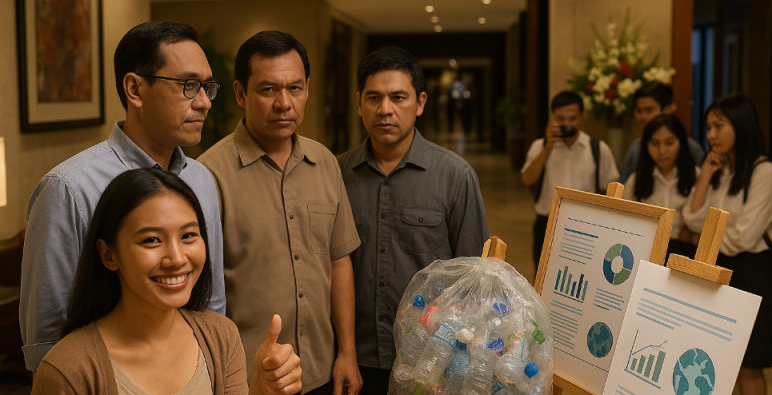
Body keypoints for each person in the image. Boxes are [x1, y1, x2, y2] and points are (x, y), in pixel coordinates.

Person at [20, 21, 226, 373]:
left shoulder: (201, 179)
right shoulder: (70, 188)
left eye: (207, 87)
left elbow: (211, 305)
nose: (204, 102)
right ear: (135, 89)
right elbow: (46, 341)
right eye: (189, 86)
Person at [31, 168, 302, 395]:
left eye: (188, 236)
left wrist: (263, 389)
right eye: (151, 240)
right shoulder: (67, 370)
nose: (176, 258)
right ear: (109, 254)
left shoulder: (221, 337)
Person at [198, 31, 362, 395]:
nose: (284, 103)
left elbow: (339, 262)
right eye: (268, 90)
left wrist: (346, 353)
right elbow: (199, 293)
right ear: (241, 94)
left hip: (320, 369)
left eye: (296, 88)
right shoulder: (207, 176)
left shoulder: (325, 164)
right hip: (248, 379)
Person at [337, 46, 491, 395]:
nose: (385, 109)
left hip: (429, 361)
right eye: (374, 98)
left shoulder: (454, 176)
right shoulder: (337, 174)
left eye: (398, 97)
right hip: (354, 357)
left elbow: (476, 280)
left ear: (420, 103)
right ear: (359, 102)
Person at [682, 94, 772, 395]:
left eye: (718, 126)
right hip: (721, 269)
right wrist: (707, 174)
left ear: (741, 125)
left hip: (753, 274)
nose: (710, 134)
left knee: (748, 366)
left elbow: (743, 238)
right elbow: (691, 217)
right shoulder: (723, 170)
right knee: (720, 360)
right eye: (708, 127)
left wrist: (705, 236)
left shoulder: (765, 172)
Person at [521, 91, 619, 268]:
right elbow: (527, 179)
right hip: (547, 223)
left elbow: (611, 189)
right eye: (560, 119)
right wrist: (547, 149)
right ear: (553, 118)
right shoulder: (540, 146)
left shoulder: (598, 149)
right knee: (543, 279)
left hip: (587, 227)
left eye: (572, 118)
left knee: (583, 278)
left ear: (582, 117)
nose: (567, 124)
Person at [622, 114, 699, 261]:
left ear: (681, 143)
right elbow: (624, 223)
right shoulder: (636, 179)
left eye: (669, 143)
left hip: (685, 254)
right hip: (644, 252)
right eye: (655, 144)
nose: (662, 151)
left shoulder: (697, 176)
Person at [619, 82, 705, 183]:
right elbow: (623, 190)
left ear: (667, 110)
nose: (643, 117)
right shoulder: (635, 149)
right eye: (639, 111)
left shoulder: (691, 148)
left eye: (649, 110)